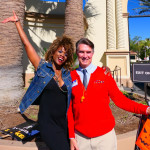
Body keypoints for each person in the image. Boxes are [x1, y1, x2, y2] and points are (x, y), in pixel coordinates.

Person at [2, 11, 74, 150]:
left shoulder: (68, 75)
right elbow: (27, 44)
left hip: (64, 123)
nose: (62, 55)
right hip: (48, 123)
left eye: (66, 54)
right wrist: (17, 22)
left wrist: (105, 69)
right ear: (53, 51)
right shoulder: (42, 67)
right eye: (60, 51)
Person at [67, 38, 150, 150]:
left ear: (93, 53)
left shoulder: (104, 74)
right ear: (77, 53)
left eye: (88, 52)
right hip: (80, 138)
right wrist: (71, 136)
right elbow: (69, 110)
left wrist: (146, 109)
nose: (85, 55)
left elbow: (120, 100)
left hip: (105, 138)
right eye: (81, 52)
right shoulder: (70, 76)